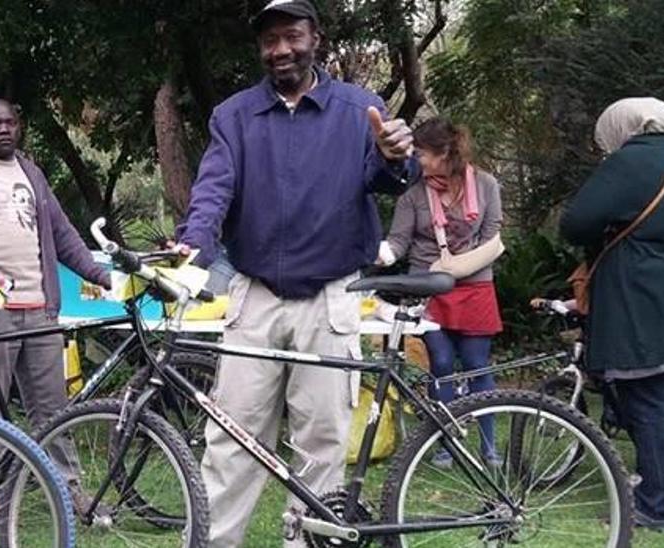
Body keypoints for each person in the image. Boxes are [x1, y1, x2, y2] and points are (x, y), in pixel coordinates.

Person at [174, 0, 420, 544]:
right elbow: (215, 188)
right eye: (269, 41)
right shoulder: (233, 115)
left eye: (292, 36)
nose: (281, 49)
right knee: (230, 443)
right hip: (254, 297)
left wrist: (394, 157)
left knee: (322, 447)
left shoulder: (361, 108)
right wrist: (193, 243)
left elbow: (390, 176)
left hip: (330, 301)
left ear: (316, 38)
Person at [0, 98, 111, 514]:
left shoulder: (32, 173)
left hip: (41, 308)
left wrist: (104, 277)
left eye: (10, 122)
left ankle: (67, 489)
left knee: (53, 408)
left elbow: (64, 236)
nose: (4, 129)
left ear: (19, 126)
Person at [560, 97, 664, 531]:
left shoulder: (634, 160)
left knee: (651, 399)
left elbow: (576, 223)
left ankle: (660, 504)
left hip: (641, 295)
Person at [380, 118, 504, 468]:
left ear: (444, 153)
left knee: (478, 365)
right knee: (443, 364)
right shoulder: (414, 193)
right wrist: (383, 253)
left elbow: (492, 234)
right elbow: (400, 240)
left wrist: (458, 266)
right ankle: (445, 442)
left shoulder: (486, 184)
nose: (416, 159)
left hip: (475, 286)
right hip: (428, 289)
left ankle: (489, 444)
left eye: (421, 153)